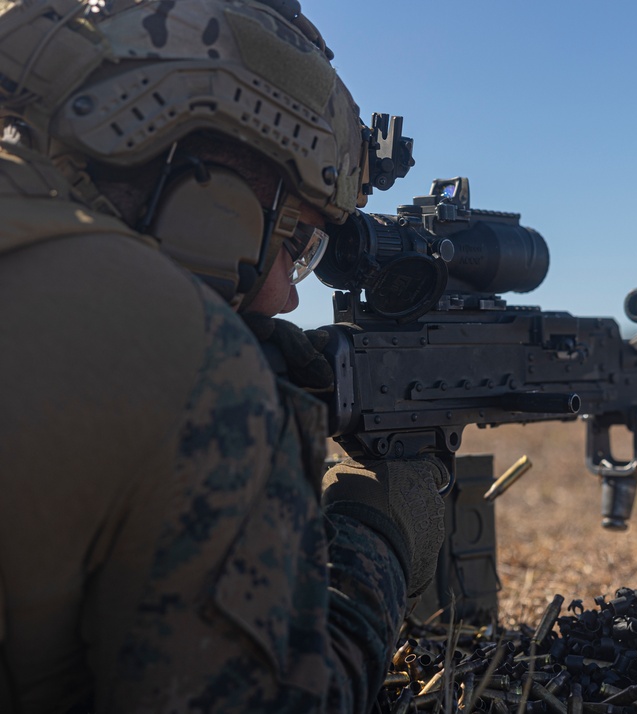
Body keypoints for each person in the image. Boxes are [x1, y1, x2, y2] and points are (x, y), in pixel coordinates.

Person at [0, 0, 445, 712]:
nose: (282, 296)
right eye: (292, 237)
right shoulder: (178, 350)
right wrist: (375, 533)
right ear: (198, 182)